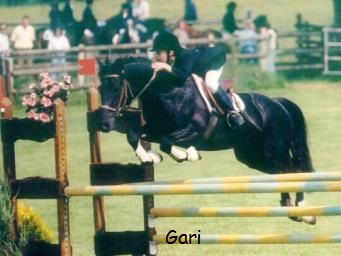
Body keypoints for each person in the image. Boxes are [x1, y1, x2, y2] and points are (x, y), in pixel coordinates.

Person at [151, 31, 244, 128]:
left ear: (170, 52)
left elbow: (183, 76)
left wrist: (165, 66)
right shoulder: (177, 62)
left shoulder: (186, 57)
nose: (156, 56)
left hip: (215, 58)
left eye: (158, 52)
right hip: (203, 64)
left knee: (210, 83)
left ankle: (233, 112)